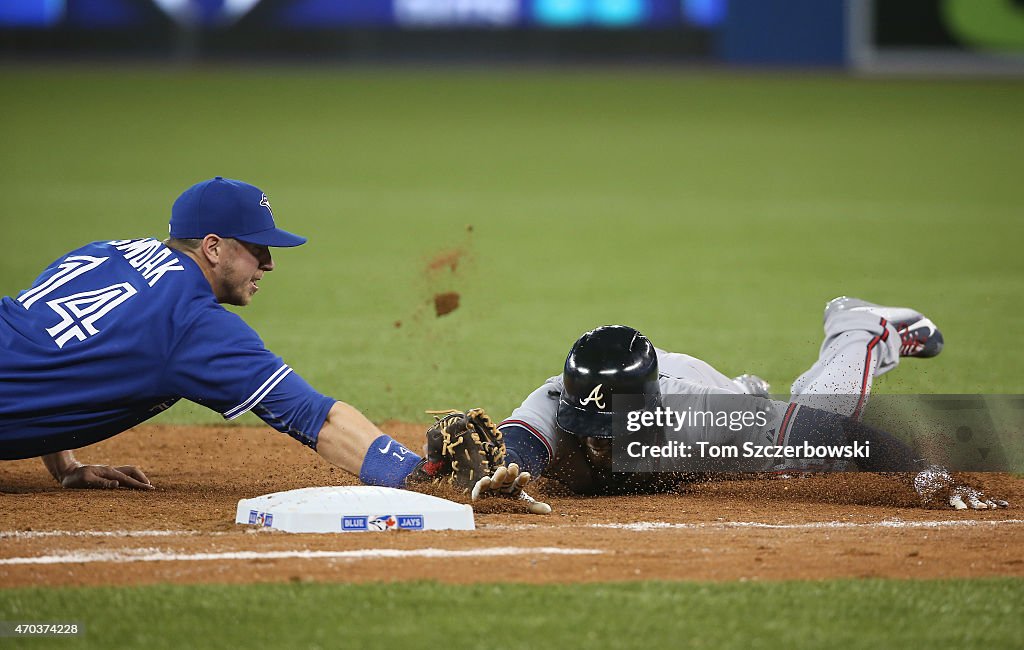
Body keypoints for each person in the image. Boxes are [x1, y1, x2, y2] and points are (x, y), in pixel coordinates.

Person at [0, 177, 428, 492]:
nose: (270, 264)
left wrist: (64, 464)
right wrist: (420, 476)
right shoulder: (190, 322)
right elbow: (317, 418)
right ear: (213, 247)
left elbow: (41, 340)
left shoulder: (106, 251)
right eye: (257, 248)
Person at [486, 298, 1009, 510]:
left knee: (812, 456)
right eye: (589, 428)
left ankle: (861, 331)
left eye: (612, 429)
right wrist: (491, 474)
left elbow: (839, 433)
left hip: (723, 407)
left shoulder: (701, 418)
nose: (597, 445)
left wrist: (930, 480)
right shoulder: (556, 402)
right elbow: (514, 448)